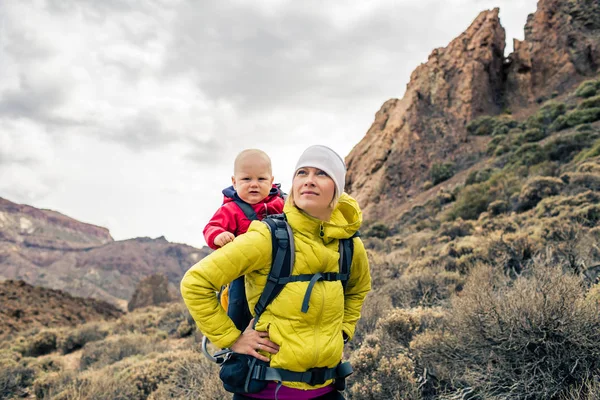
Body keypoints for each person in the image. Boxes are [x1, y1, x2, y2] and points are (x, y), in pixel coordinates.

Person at [182, 145, 371, 400]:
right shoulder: (268, 236)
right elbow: (196, 283)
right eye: (302, 172)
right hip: (266, 392)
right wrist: (233, 339)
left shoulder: (349, 244)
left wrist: (343, 331)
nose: (310, 181)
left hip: (327, 390)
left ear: (337, 186)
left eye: (322, 174)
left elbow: (357, 289)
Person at [203, 149, 285, 330]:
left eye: (261, 179)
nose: (254, 184)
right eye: (246, 179)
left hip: (279, 270)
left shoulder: (282, 204)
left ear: (271, 181)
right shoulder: (231, 209)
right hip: (244, 273)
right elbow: (211, 228)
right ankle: (236, 349)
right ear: (234, 182)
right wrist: (219, 236)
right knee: (238, 305)